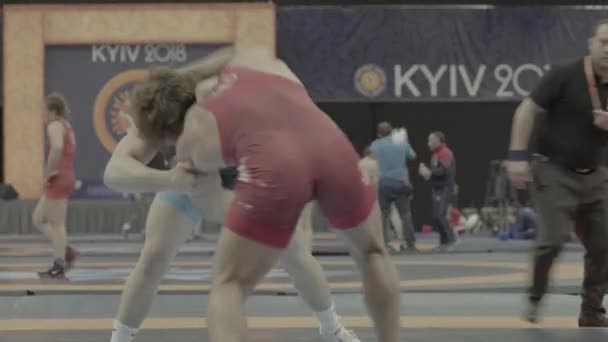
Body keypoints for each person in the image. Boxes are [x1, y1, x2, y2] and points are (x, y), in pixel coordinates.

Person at [126, 46, 401, 342]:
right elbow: (233, 50)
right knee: (372, 253)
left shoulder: (191, 137)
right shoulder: (252, 60)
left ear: (168, 132)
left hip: (277, 170)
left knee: (228, 286)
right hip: (333, 147)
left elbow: (216, 206)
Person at [105, 113, 360, 342]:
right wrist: (170, 179)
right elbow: (114, 172)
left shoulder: (261, 112)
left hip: (247, 185)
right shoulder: (168, 110)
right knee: (153, 259)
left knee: (295, 254)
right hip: (191, 182)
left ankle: (332, 328)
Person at [505, 19, 608, 327]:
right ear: (590, 43)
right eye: (603, 42)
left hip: (597, 175)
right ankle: (536, 296)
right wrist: (517, 157)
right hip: (554, 170)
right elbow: (526, 110)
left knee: (605, 244)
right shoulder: (564, 74)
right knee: (553, 239)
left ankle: (591, 311)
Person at [33, 93, 78, 279]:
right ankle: (65, 249)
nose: (42, 114)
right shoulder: (67, 127)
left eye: (44, 110)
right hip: (66, 175)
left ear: (52, 111)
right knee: (38, 218)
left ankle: (59, 265)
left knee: (57, 225)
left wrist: (47, 172)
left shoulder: (54, 125)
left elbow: (57, 147)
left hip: (58, 177)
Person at [370, 122, 417, 252]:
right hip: (400, 182)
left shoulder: (375, 145)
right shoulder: (401, 142)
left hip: (383, 183)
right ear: (391, 132)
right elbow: (413, 156)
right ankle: (410, 244)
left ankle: (384, 244)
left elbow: (371, 158)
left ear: (379, 134)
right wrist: (405, 141)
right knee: (405, 214)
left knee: (383, 216)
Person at [418, 131, 457, 251]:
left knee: (440, 214)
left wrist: (430, 172)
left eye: (430, 140)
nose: (428, 143)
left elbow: (444, 171)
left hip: (445, 188)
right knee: (436, 216)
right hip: (437, 188)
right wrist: (426, 174)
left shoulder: (445, 152)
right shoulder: (435, 154)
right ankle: (443, 242)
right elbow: (436, 173)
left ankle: (451, 239)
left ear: (437, 141)